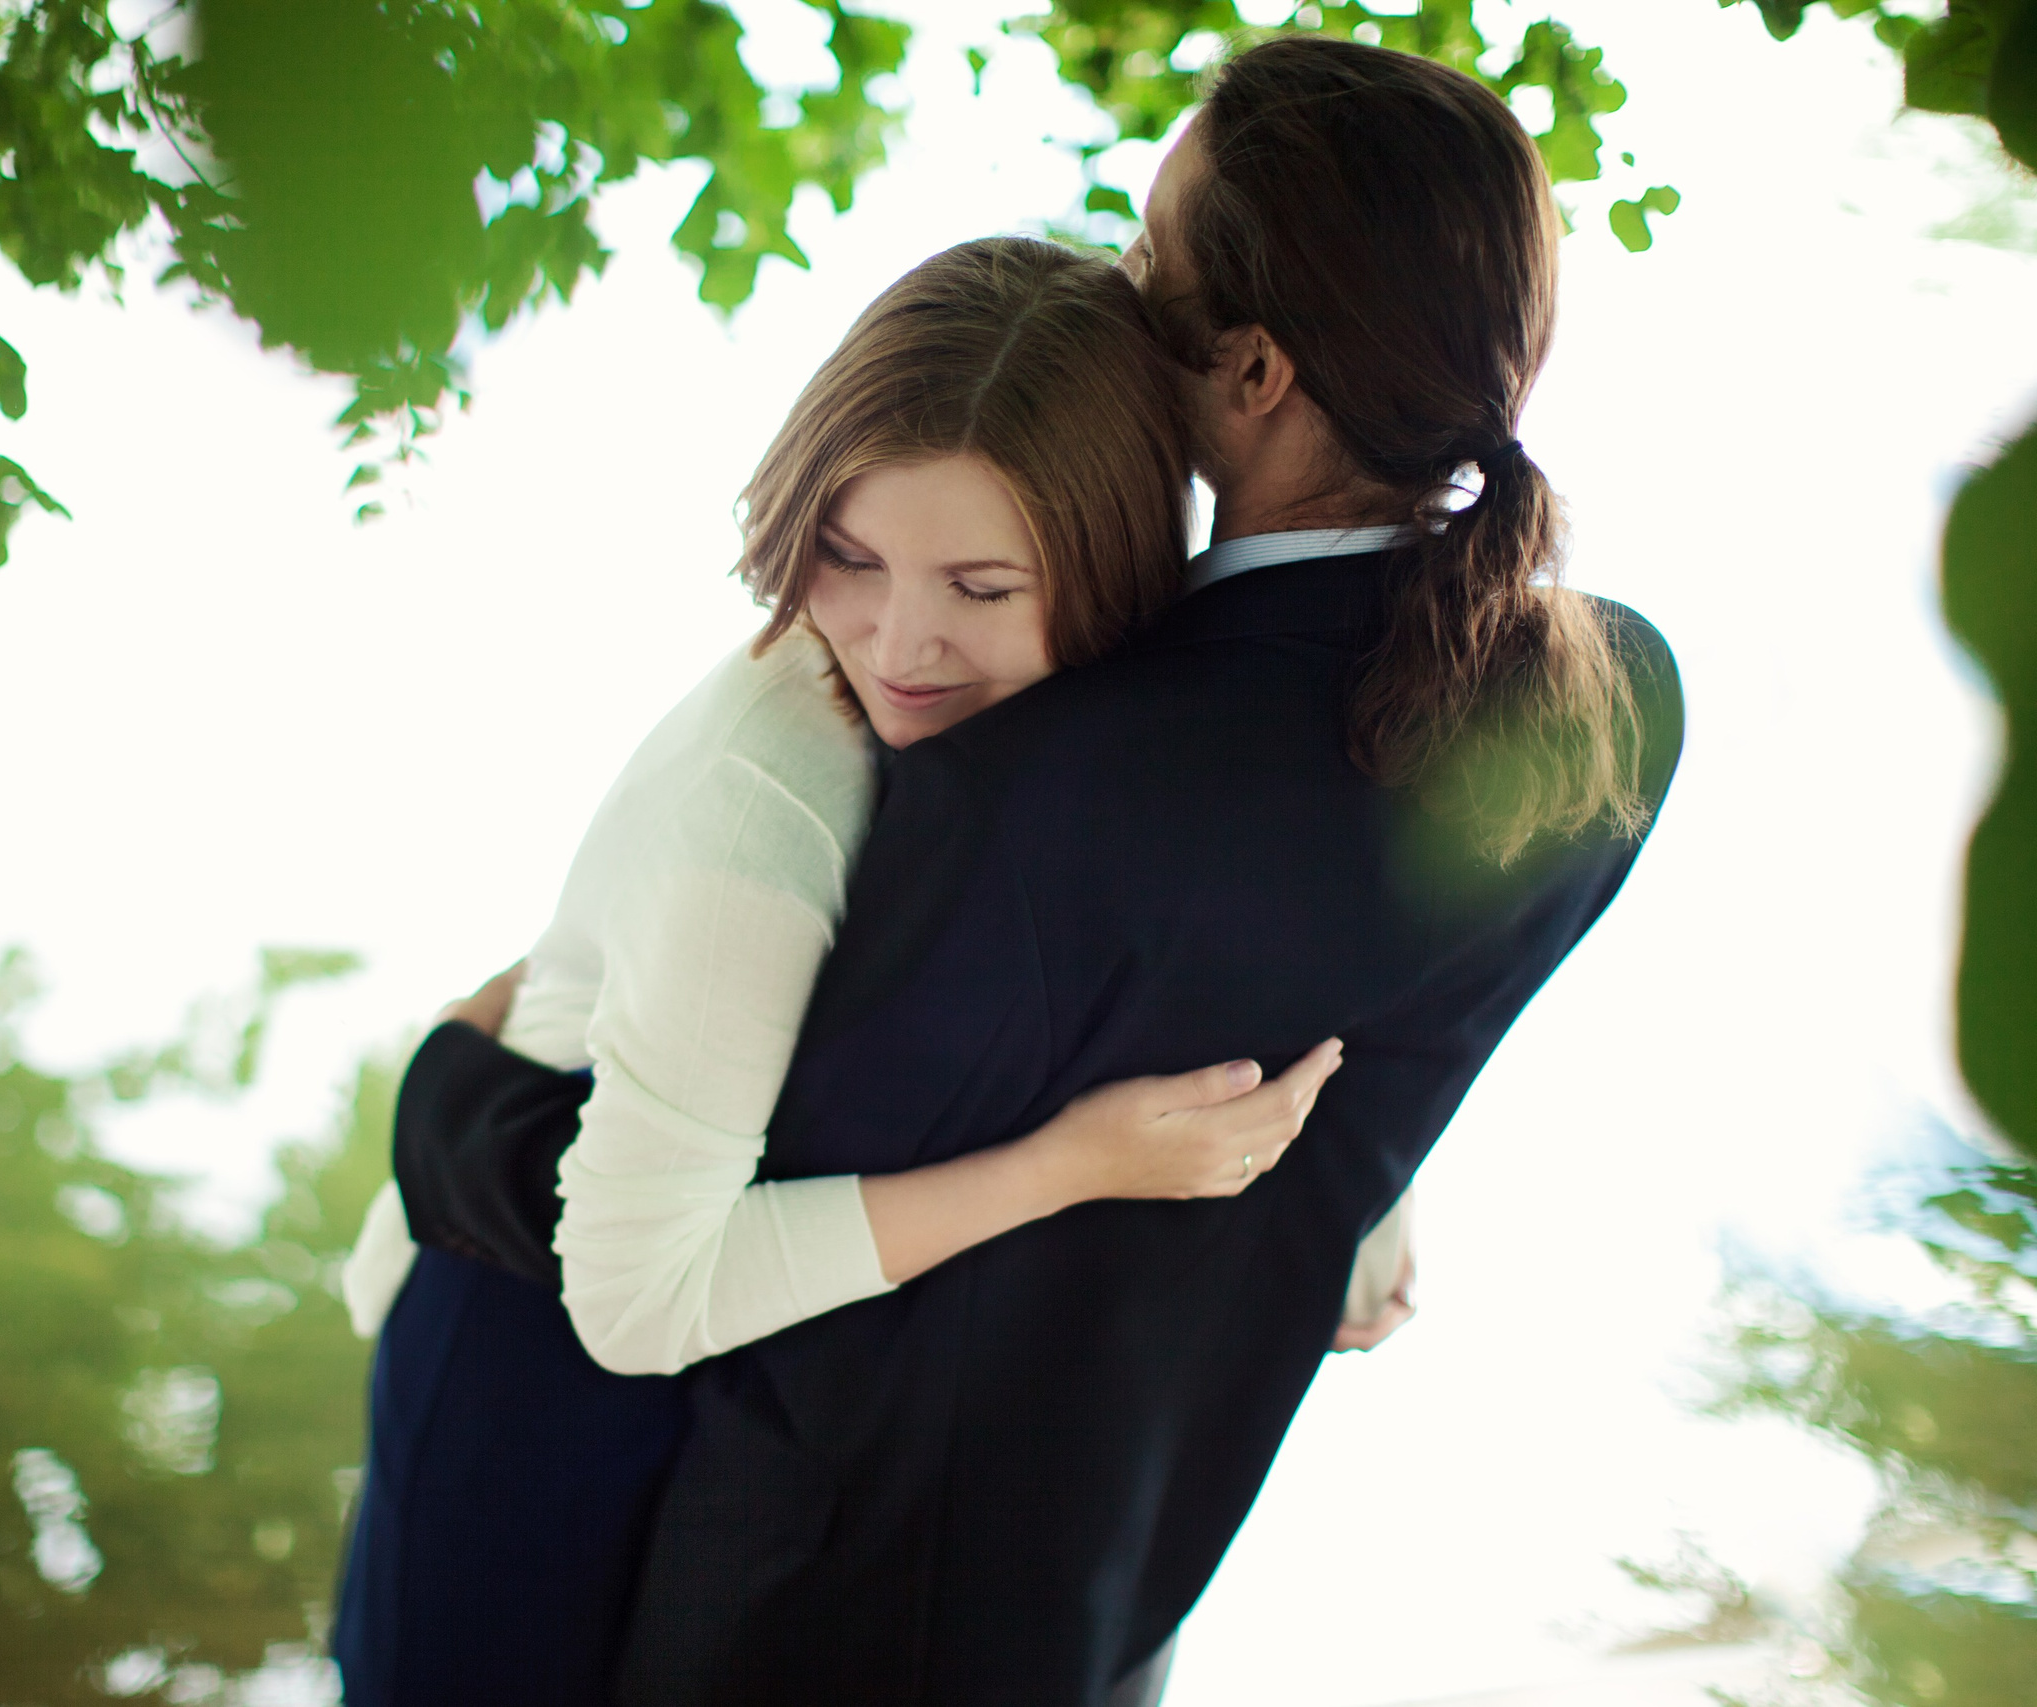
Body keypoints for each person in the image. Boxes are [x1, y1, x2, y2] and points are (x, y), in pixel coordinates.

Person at [395, 35, 1686, 1707]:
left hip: (811, 1619)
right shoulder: (1611, 708)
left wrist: (446, 1109)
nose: (1120, 284)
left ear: (1260, 373)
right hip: (1119, 1594)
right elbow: (1363, 994)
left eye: (1152, 258)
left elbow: (710, 1204)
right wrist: (1366, 1188)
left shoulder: (1042, 786)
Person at [329, 235, 1409, 1707]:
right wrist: (1066, 1167)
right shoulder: (773, 808)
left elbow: (1207, 938)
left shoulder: (1091, 734)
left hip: (731, 1354)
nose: (903, 640)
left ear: (1109, 563)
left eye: (980, 584)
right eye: (849, 557)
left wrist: (1359, 1186)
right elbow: (638, 1301)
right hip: (541, 1373)